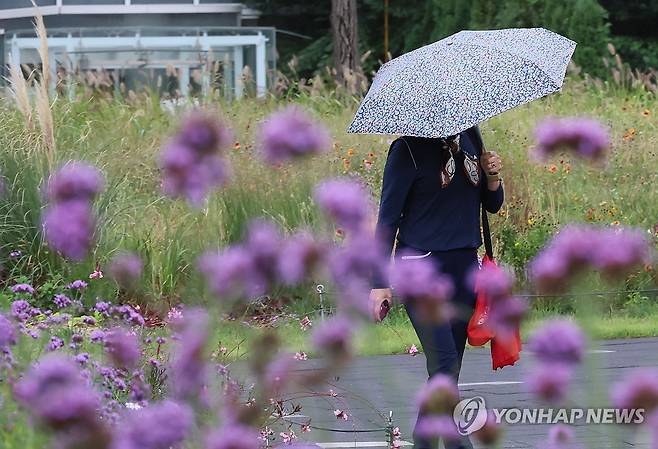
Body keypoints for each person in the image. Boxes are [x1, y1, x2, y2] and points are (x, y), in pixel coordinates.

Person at [369, 126, 504, 449]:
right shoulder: (407, 149)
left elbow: (492, 204)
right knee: (443, 364)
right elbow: (387, 219)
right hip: (420, 271)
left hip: (464, 271)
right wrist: (378, 283)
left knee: (448, 370)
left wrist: (493, 176)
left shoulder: (471, 137)